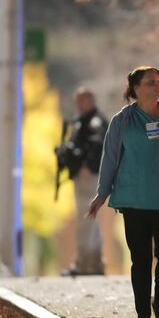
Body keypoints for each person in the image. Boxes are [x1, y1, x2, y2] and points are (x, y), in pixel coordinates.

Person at [87, 66, 159, 318]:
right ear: (136, 88)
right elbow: (110, 159)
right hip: (133, 198)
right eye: (151, 82)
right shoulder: (122, 121)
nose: (158, 86)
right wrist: (102, 194)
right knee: (141, 260)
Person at [55, 87, 108, 276]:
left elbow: (99, 146)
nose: (77, 105)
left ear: (90, 100)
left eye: (81, 101)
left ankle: (85, 264)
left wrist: (88, 165)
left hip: (89, 177)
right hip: (82, 175)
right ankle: (93, 263)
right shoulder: (81, 121)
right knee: (88, 220)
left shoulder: (94, 122)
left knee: (86, 219)